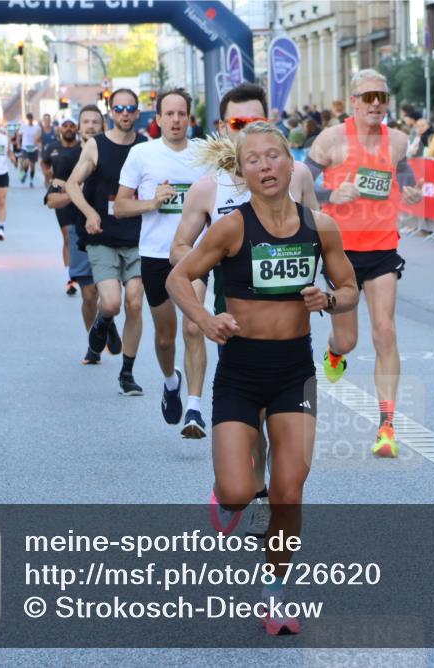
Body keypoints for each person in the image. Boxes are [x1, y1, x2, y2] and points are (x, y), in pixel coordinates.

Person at [166, 122, 358, 636]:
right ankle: (228, 495)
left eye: (275, 156)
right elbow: (178, 276)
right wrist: (206, 321)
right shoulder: (231, 228)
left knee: (289, 491)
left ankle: (275, 596)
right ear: (242, 171)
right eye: (254, 160)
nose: (266, 166)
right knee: (236, 491)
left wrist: (331, 300)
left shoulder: (321, 227)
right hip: (241, 372)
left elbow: (348, 287)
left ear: (291, 163)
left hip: (294, 370)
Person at [171, 82, 319, 531]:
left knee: (280, 428)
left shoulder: (297, 177)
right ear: (224, 130)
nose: (249, 130)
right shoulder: (207, 188)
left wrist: (333, 298)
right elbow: (181, 250)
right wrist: (212, 261)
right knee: (249, 414)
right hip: (230, 311)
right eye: (239, 124)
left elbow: (317, 236)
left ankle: (267, 491)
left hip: (289, 322)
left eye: (259, 121)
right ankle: (243, 486)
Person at [306, 69, 425, 457]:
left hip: (382, 247)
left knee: (385, 332)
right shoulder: (331, 140)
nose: (376, 104)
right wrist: (329, 194)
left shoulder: (398, 141)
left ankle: (387, 425)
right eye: (368, 97)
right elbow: (300, 185)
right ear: (353, 101)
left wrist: (410, 189)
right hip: (341, 251)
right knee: (349, 339)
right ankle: (335, 352)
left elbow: (403, 174)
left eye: (382, 97)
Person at [114, 88, 211, 437]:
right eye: (168, 114)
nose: (175, 120)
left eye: (181, 114)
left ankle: (195, 409)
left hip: (195, 255)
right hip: (156, 255)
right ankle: (171, 381)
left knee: (194, 327)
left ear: (189, 118)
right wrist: (151, 203)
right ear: (157, 120)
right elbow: (120, 207)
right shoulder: (142, 155)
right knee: (167, 338)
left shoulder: (205, 154)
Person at [66, 88, 148, 392]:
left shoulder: (146, 147)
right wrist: (89, 212)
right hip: (102, 236)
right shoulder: (96, 146)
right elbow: (73, 184)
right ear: (111, 112)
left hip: (138, 237)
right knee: (112, 303)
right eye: (119, 108)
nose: (125, 113)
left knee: (135, 302)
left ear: (137, 113)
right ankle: (103, 321)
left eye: (130, 108)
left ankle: (127, 373)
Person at [44, 106, 112, 362]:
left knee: (109, 293)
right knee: (88, 293)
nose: (91, 126)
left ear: (103, 125)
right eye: (86, 122)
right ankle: (93, 345)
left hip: (111, 229)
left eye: (96, 121)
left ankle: (105, 318)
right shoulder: (66, 158)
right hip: (78, 228)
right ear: (80, 126)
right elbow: (51, 200)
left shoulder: (114, 153)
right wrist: (74, 192)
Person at [42, 115, 85, 296]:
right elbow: (45, 163)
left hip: (83, 196)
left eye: (72, 125)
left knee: (81, 237)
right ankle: (70, 278)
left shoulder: (83, 149)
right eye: (65, 125)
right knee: (68, 237)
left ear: (76, 129)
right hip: (62, 193)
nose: (68, 128)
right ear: (60, 129)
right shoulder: (52, 148)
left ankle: (84, 270)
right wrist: (49, 177)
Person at [17, 112, 41, 188]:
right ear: (27, 120)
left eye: (31, 119)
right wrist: (18, 144)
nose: (29, 120)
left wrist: (38, 144)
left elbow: (39, 137)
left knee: (33, 166)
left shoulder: (37, 127)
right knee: (26, 162)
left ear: (32, 119)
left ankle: (31, 180)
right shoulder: (23, 127)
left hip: (34, 148)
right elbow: (18, 135)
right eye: (28, 119)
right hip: (25, 148)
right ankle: (24, 173)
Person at [39, 112, 58, 187]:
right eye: (45, 120)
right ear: (43, 120)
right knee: (46, 172)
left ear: (50, 120)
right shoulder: (40, 131)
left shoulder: (55, 130)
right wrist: (40, 145)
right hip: (45, 154)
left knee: (53, 171)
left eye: (48, 119)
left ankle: (51, 182)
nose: (47, 121)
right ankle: (47, 181)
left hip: (54, 153)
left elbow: (59, 139)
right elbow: (37, 140)